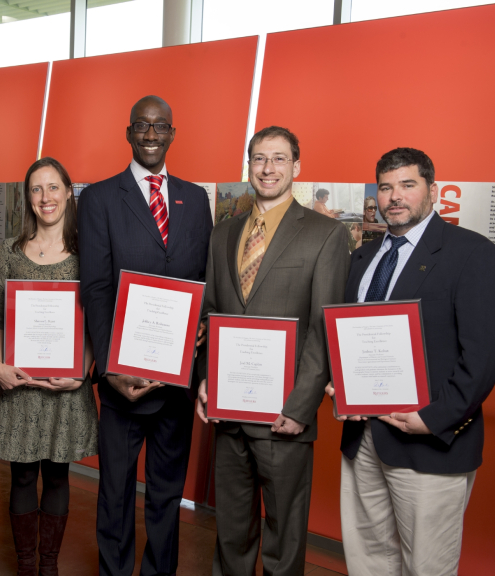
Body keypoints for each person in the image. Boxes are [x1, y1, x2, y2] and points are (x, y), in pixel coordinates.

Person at [325, 147, 495, 575]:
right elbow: (352, 337)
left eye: (408, 185)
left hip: (430, 443)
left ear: (433, 190)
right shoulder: (363, 258)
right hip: (363, 439)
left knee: (426, 566)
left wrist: (433, 417)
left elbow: (486, 353)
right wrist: (341, 385)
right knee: (368, 559)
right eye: (386, 187)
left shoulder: (471, 253)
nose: (395, 197)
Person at [195, 126, 350, 576]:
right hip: (228, 413)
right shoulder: (223, 234)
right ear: (249, 166)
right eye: (260, 158)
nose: (268, 168)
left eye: (280, 159)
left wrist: (301, 407)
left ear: (297, 168)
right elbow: (210, 314)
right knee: (230, 534)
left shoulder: (326, 233)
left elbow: (324, 327)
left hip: (285, 416)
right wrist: (207, 378)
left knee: (284, 542)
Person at [78, 95, 213, 576]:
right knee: (115, 490)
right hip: (123, 378)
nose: (151, 134)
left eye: (161, 126)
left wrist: (201, 326)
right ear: (129, 132)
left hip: (177, 378)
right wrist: (111, 367)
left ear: (173, 133)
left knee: (166, 492)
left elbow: (203, 282)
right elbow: (94, 288)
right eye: (142, 125)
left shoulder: (196, 200)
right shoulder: (98, 199)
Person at [0, 157, 98, 576]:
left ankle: (49, 565)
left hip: (67, 385)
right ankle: (26, 565)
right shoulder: (9, 251)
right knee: (22, 478)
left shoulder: (89, 252)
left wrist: (81, 371)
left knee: (58, 476)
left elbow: (96, 321)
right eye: (36, 189)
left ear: (69, 192)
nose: (45, 197)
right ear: (27, 196)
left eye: (53, 188)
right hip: (20, 383)